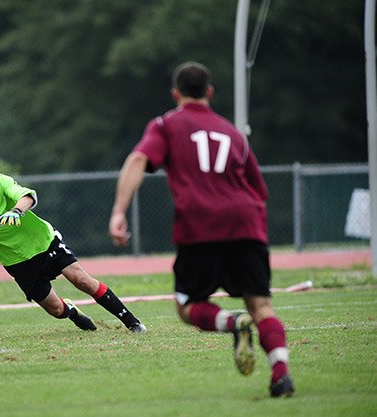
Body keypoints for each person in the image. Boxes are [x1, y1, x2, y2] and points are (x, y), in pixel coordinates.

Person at [108, 62, 295, 397]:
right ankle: (281, 374)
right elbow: (259, 192)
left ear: (176, 94)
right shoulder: (232, 131)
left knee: (187, 305)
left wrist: (119, 212)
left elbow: (138, 160)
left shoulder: (166, 124)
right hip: (246, 222)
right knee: (263, 307)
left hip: (201, 224)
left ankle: (233, 322)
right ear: (209, 92)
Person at [0, 151, 146, 333]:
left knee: (82, 280)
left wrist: (16, 211)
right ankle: (73, 312)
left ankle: (133, 323)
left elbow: (26, 196)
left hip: (44, 242)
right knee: (55, 309)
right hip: (18, 263)